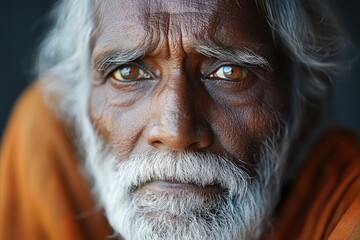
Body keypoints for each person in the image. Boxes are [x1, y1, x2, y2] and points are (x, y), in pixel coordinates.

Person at [0, 0, 359, 239]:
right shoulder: (50, 150)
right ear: (80, 110)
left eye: (230, 72)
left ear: (305, 105)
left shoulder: (347, 202)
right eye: (128, 72)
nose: (175, 131)